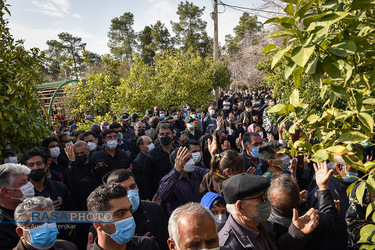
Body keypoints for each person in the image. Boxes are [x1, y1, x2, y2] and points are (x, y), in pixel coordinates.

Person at [220, 173, 318, 249]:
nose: (267, 203)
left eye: (266, 198)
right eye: (260, 199)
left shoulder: (263, 225)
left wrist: (297, 232)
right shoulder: (228, 246)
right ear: (241, 206)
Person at [269, 169, 339, 250]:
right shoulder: (308, 221)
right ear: (299, 199)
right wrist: (323, 187)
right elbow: (331, 220)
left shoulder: (265, 223)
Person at [106, 169, 169, 250]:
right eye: (123, 189)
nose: (130, 193)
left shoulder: (155, 209)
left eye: (133, 187)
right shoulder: (108, 222)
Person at [87, 183, 159, 250]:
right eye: (120, 213)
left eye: (130, 210)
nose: (130, 217)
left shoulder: (146, 246)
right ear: (98, 223)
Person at [155, 145, 209, 214]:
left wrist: (214, 156)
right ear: (177, 162)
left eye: (191, 158)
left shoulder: (196, 171)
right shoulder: (170, 179)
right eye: (187, 160)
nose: (191, 161)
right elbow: (161, 197)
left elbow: (211, 175)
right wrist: (176, 170)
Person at [0, 163, 34, 249]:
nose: (29, 185)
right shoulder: (3, 225)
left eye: (27, 181)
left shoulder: (30, 209)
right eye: (23, 183)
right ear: (6, 192)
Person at [143, 121, 176, 200]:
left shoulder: (178, 150)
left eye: (168, 133)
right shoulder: (151, 155)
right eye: (162, 134)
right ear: (158, 136)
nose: (165, 136)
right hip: (160, 196)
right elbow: (147, 179)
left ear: (172, 135)